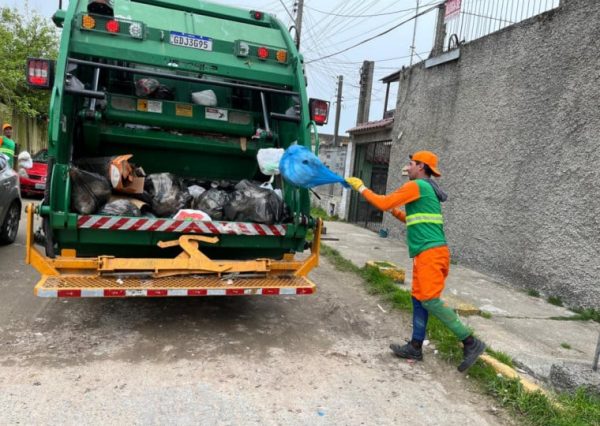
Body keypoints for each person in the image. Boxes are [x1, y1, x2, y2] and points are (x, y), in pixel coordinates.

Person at [346, 151, 486, 372]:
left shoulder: (417, 186)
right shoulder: (425, 188)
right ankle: (415, 346)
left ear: (421, 166)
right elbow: (414, 218)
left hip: (431, 253)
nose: (407, 167)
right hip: (426, 253)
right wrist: (396, 212)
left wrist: (361, 187)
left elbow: (382, 203)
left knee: (429, 299)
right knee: (418, 299)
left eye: (410, 164)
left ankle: (470, 342)